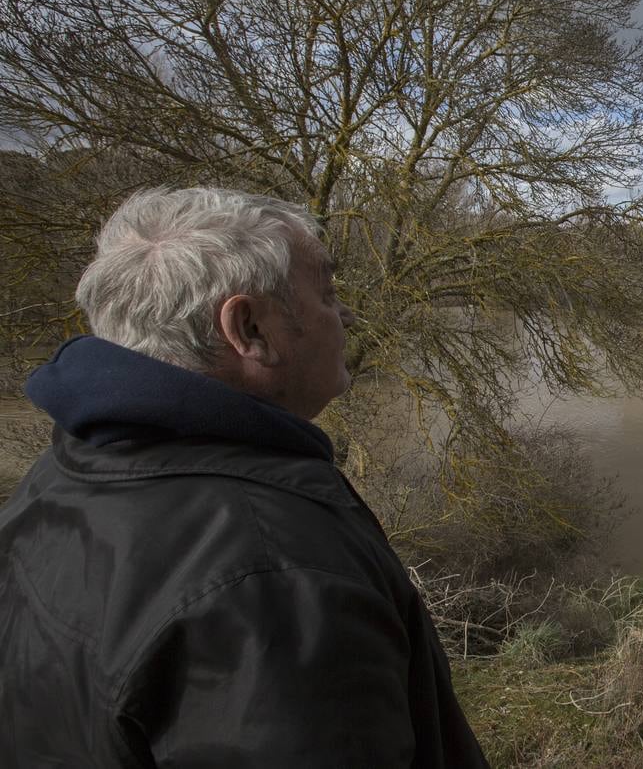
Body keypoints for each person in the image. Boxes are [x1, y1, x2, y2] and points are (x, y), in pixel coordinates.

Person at [0, 187, 488, 767]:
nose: (347, 315)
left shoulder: (64, 474)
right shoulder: (276, 576)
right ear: (249, 329)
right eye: (328, 295)